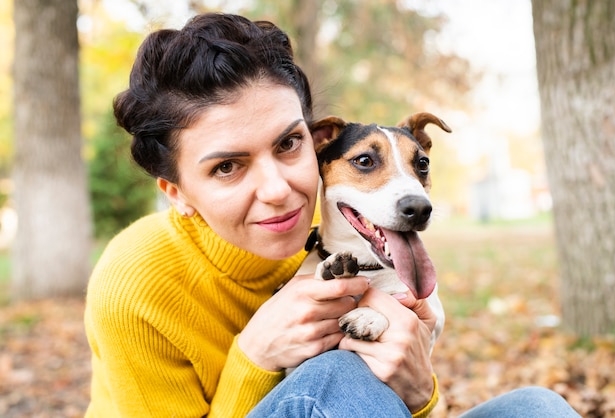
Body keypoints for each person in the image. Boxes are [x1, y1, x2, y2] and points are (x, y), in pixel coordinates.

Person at [84, 12, 581, 418]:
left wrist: (417, 391)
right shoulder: (135, 283)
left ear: (316, 141)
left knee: (537, 407)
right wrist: (255, 357)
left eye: (288, 143)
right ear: (177, 192)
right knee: (334, 378)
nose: (279, 190)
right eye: (227, 167)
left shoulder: (347, 245)